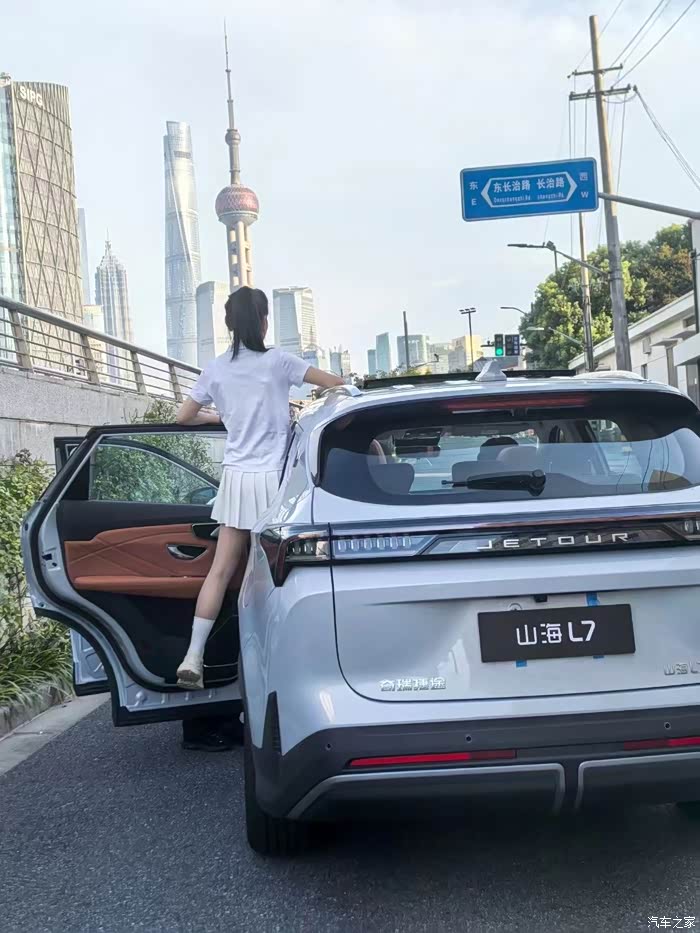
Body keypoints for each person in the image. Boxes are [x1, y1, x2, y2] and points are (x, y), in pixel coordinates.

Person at [174, 287, 343, 748]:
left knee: (220, 571)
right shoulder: (279, 363)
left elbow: (184, 415)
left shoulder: (216, 369)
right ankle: (270, 677)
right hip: (275, 483)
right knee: (271, 580)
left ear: (228, 324)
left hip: (236, 478)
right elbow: (336, 383)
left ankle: (193, 656)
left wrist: (220, 418)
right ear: (265, 321)